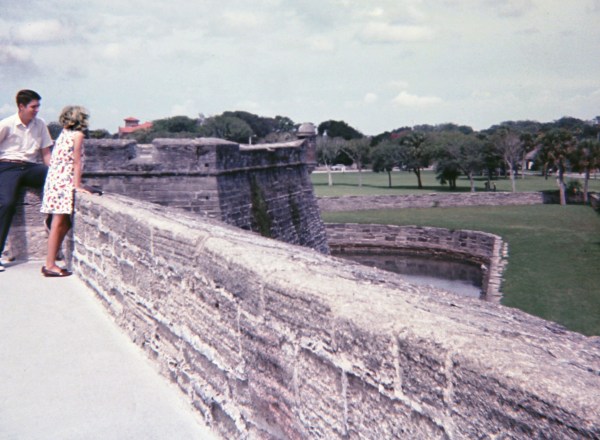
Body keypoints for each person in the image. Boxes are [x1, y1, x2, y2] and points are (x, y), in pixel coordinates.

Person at [0, 90, 53, 273]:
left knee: (57, 182)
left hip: (31, 167)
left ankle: (51, 220)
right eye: (33, 106)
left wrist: (54, 173)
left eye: (38, 106)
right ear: (21, 107)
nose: (37, 110)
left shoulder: (40, 125)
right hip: (8, 166)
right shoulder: (6, 125)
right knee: (6, 203)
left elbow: (46, 153)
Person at [40, 105, 91, 277]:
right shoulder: (78, 135)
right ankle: (50, 265)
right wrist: (78, 186)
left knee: (64, 223)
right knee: (58, 224)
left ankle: (51, 259)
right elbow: (76, 162)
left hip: (54, 180)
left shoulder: (63, 133)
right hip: (64, 182)